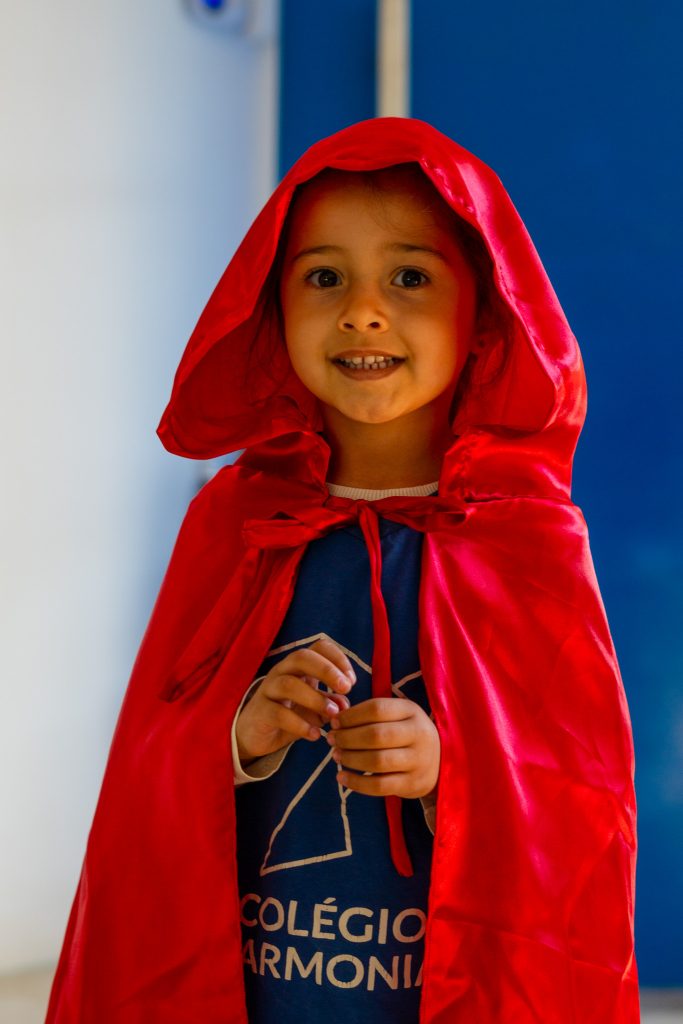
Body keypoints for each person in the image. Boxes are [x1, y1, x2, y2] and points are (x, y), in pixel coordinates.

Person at [45, 118, 639, 1023]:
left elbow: (579, 813)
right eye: (323, 277)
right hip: (260, 989)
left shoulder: (524, 540)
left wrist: (452, 770)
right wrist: (239, 736)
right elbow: (145, 778)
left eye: (410, 277)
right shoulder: (236, 523)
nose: (363, 311)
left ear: (482, 310)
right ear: (270, 306)